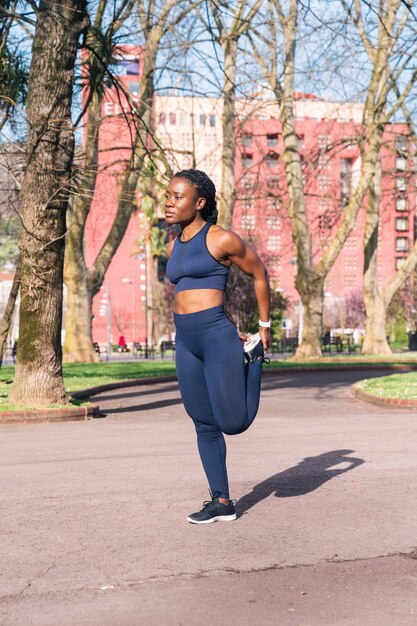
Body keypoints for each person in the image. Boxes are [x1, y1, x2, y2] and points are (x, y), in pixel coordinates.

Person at [165, 169, 271, 524]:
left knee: (233, 422)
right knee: (202, 422)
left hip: (215, 337)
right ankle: (222, 501)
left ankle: (254, 359)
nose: (169, 201)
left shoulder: (221, 239)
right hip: (187, 340)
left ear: (199, 202)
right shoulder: (173, 244)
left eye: (177, 196)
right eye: (168, 195)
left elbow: (259, 273)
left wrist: (264, 326)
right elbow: (189, 291)